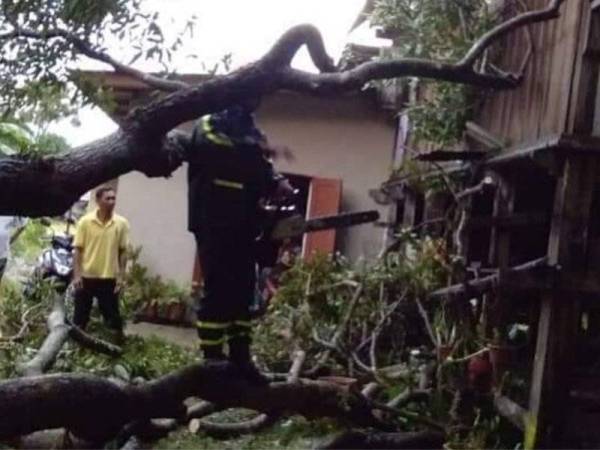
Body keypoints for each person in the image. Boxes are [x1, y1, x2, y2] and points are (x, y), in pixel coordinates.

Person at [184, 101, 293, 384]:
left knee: (243, 292)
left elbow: (262, 168)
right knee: (218, 290)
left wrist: (277, 181)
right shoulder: (208, 123)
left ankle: (241, 360)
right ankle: (212, 362)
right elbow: (214, 148)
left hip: (245, 222)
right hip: (213, 219)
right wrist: (256, 152)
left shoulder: (252, 130)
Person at [72, 186, 130, 342]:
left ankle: (117, 346)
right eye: (108, 198)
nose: (111, 202)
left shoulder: (121, 224)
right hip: (86, 277)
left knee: (112, 317)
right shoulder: (85, 222)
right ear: (98, 201)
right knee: (80, 318)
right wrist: (77, 275)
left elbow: (123, 252)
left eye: (113, 198)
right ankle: (77, 347)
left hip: (108, 278)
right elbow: (77, 250)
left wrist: (121, 277)